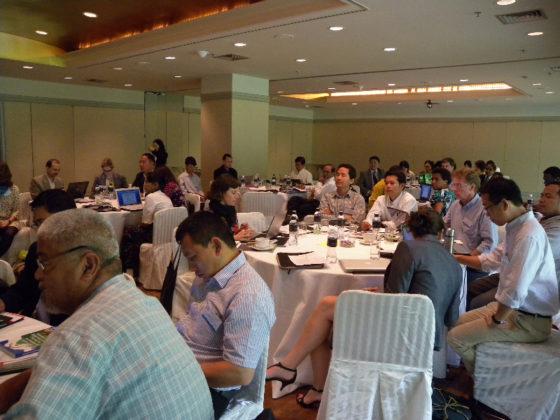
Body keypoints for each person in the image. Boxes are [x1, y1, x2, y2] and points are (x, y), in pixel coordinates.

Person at [0, 209, 214, 419]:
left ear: (88, 266)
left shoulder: (77, 337)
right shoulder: (147, 304)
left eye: (45, 263)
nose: (37, 275)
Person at [266, 208, 462, 409]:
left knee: (324, 310)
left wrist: (367, 297)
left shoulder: (408, 248)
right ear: (440, 232)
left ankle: (290, 368)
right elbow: (451, 319)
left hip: (398, 333)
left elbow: (394, 300)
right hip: (425, 342)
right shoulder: (454, 264)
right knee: (323, 322)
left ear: (410, 229)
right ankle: (312, 387)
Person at [448, 178, 559, 374]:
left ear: (505, 204)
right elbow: (490, 260)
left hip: (528, 321)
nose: (487, 214)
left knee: (456, 338)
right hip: (515, 312)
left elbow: (516, 290)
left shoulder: (529, 234)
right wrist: (454, 258)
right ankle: (484, 375)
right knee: (457, 323)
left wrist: (497, 319)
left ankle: (487, 384)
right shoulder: (516, 227)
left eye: (488, 208)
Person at [174, 212, 275, 418]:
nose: (192, 267)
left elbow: (240, 373)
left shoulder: (248, 295)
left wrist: (179, 370)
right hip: (180, 363)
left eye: (193, 258)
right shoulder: (208, 275)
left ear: (216, 246)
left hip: (206, 389)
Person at [468, 182, 560, 309]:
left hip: (532, 286)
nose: (542, 200)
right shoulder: (538, 220)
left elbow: (523, 264)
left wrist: (497, 318)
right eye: (542, 195)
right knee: (471, 288)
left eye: (548, 196)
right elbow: (499, 255)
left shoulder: (551, 230)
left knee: (477, 303)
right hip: (510, 272)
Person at [0, 190, 76, 325]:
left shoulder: (79, 259)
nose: (39, 231)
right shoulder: (36, 250)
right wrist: (3, 303)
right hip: (31, 324)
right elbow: (22, 290)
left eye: (43, 222)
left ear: (67, 220)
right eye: (37, 224)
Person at [444, 168, 497, 283]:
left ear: (472, 187)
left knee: (445, 283)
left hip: (474, 265)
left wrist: (467, 259)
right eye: (454, 185)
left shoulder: (484, 208)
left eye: (459, 185)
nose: (454, 189)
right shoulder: (455, 205)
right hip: (455, 257)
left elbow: (489, 243)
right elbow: (444, 227)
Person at [121, 172, 173, 277]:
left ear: (156, 184)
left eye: (147, 182)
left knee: (128, 233)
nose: (144, 185)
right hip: (166, 234)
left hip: (154, 234)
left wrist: (136, 225)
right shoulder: (165, 197)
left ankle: (130, 270)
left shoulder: (151, 197)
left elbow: (145, 223)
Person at [205, 175, 254, 241]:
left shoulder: (230, 209)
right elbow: (212, 240)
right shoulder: (211, 212)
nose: (237, 197)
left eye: (238, 193)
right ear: (221, 193)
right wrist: (235, 238)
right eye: (233, 193)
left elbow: (229, 233)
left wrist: (240, 231)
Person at [0, 163, 20, 256]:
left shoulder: (14, 189)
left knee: (9, 233)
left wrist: (8, 221)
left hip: (11, 220)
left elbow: (17, 210)